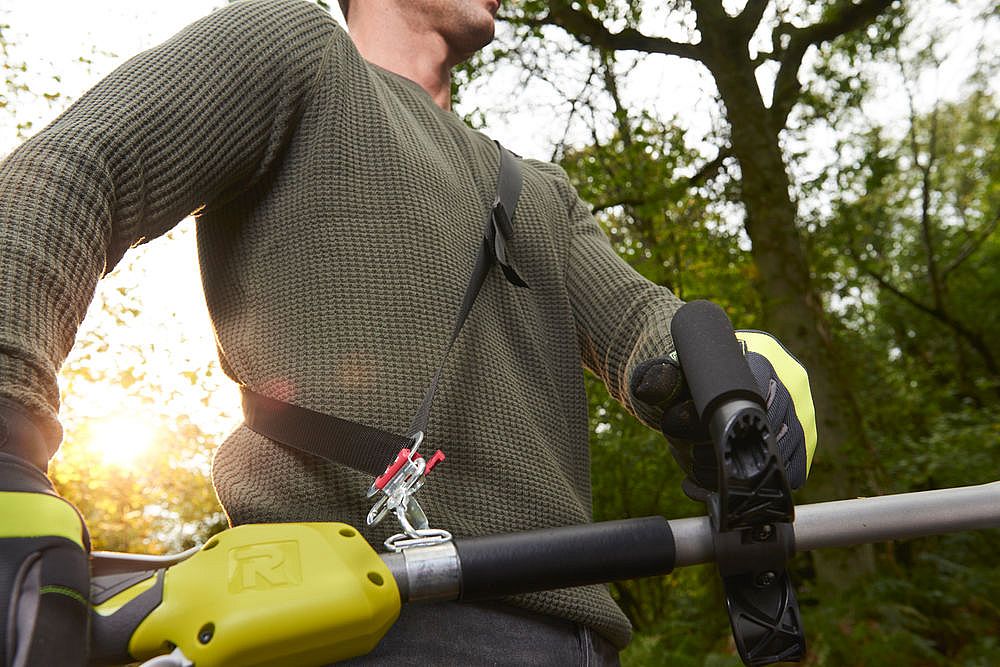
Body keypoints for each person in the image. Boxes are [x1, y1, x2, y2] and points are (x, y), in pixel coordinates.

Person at [0, 1, 816, 664]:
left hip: (578, 638)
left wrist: (737, 374)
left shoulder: (541, 192)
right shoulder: (297, 50)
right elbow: (74, 170)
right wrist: (8, 443)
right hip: (348, 624)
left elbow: (643, 324)